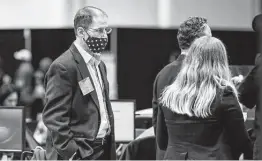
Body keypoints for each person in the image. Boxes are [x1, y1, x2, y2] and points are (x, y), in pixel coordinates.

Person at [156, 36, 253, 160]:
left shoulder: (168, 94)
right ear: (220, 62)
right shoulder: (224, 94)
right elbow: (241, 143)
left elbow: (162, 141)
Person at [42, 6, 116, 160]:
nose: (104, 36)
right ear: (81, 32)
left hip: (102, 149)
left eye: (106, 30)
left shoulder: (99, 65)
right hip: (80, 153)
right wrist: (73, 153)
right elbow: (54, 118)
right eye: (99, 30)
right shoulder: (63, 66)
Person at [152, 16, 212, 159]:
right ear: (200, 41)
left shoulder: (162, 75)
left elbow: (159, 129)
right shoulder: (206, 75)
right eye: (210, 38)